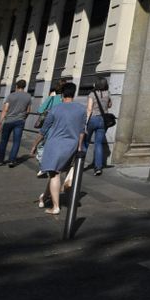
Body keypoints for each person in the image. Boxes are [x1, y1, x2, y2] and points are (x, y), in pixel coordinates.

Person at [36, 82, 86, 215]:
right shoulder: (81, 109)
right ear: (74, 93)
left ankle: (56, 206)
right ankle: (44, 197)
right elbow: (82, 130)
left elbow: (44, 130)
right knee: (54, 174)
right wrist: (79, 146)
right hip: (72, 146)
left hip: (55, 145)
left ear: (62, 94)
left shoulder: (56, 109)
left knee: (54, 174)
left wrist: (34, 145)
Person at [29, 76, 73, 161]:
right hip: (60, 129)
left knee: (42, 146)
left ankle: (41, 163)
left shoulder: (52, 97)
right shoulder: (65, 99)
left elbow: (40, 110)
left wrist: (50, 97)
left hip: (48, 128)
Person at [0, 79, 33, 165]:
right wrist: (24, 118)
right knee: (16, 141)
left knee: (4, 141)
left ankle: (0, 160)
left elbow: (5, 109)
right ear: (24, 86)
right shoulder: (28, 96)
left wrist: (0, 122)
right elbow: (28, 111)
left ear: (16, 86)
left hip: (8, 121)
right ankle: (12, 160)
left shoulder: (11, 96)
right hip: (20, 121)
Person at [85, 78, 112, 176]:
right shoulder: (107, 93)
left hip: (93, 119)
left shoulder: (92, 94)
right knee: (99, 144)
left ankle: (78, 163)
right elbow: (109, 105)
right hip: (103, 120)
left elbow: (89, 108)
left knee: (85, 142)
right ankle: (98, 167)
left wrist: (86, 122)